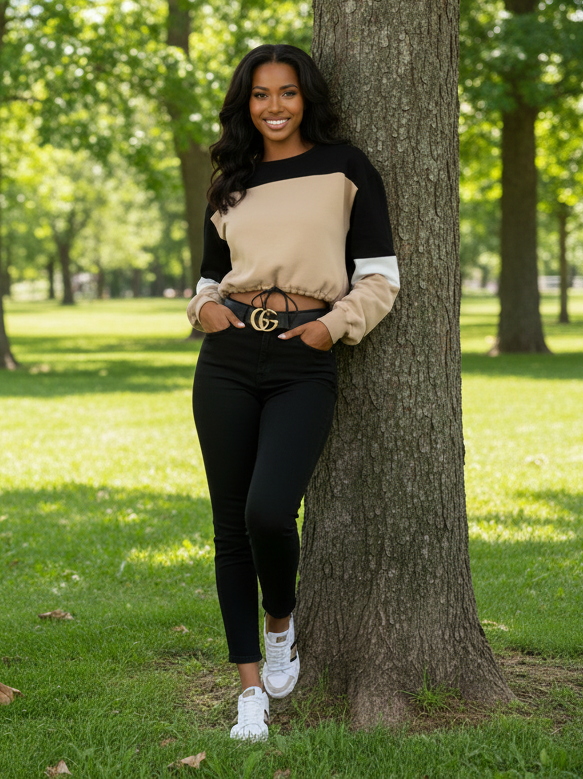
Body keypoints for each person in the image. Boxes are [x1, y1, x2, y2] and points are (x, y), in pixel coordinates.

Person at [186, 44, 399, 741]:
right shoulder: (231, 180)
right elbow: (209, 277)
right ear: (244, 104)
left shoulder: (346, 168)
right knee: (228, 528)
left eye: (285, 93)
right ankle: (249, 691)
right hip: (227, 356)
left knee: (269, 513)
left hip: (304, 357)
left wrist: (331, 329)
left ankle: (281, 620)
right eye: (259, 95)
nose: (273, 107)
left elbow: (379, 277)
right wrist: (203, 309)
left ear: (306, 98)